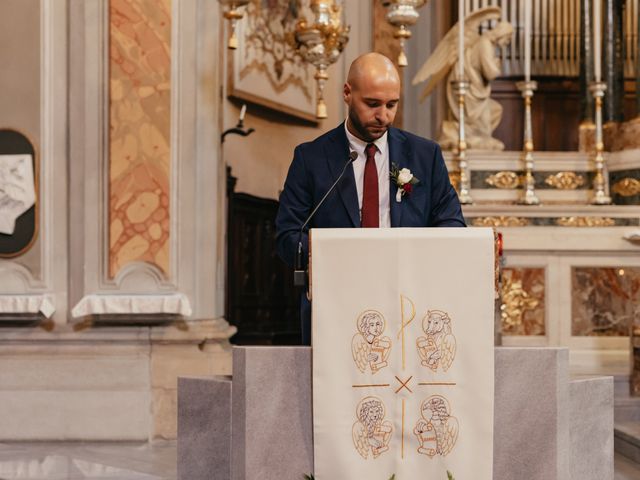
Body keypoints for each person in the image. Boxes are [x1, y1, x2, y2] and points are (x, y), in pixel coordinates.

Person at [276, 52, 465, 344]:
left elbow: (452, 225)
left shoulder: (425, 156)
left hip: (410, 301)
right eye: (372, 104)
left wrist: (415, 257)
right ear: (348, 93)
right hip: (335, 303)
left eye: (392, 105)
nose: (383, 116)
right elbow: (288, 238)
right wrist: (341, 253)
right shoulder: (310, 158)